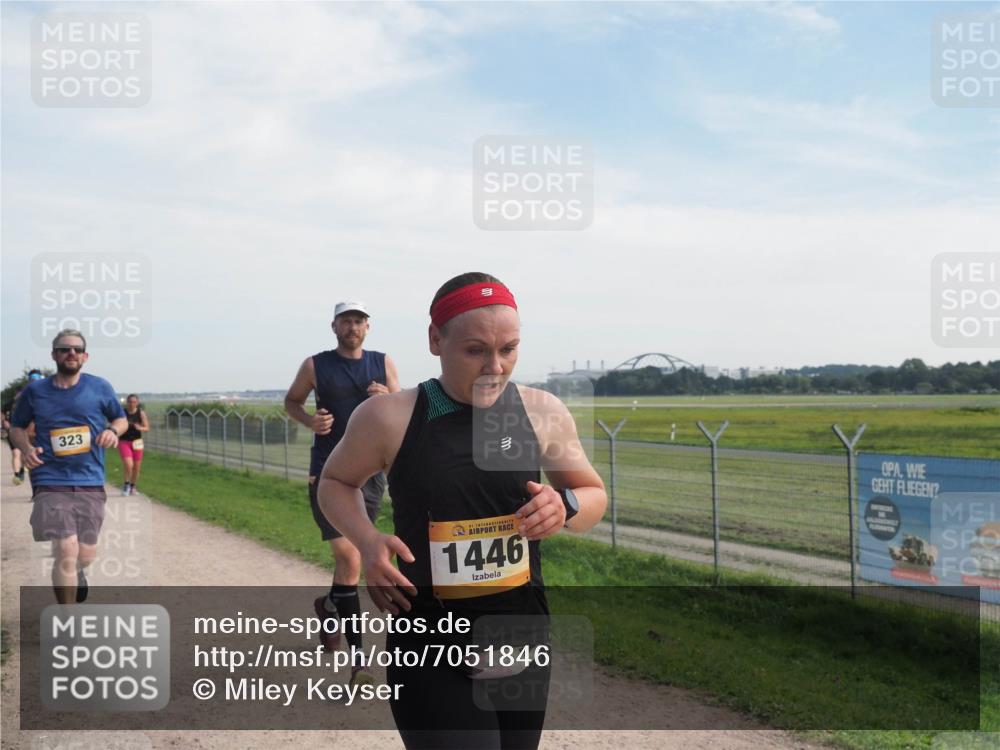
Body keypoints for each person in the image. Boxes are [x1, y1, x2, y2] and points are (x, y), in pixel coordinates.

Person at [318, 273, 607, 750]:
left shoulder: (542, 411)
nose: (495, 367)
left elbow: (593, 494)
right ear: (436, 340)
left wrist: (566, 505)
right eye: (476, 351)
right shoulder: (389, 416)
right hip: (428, 638)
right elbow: (335, 482)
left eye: (509, 349)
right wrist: (367, 542)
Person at [284, 301, 400, 686]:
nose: (352, 327)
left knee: (351, 561)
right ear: (334, 326)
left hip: (371, 474)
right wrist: (309, 421)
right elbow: (291, 401)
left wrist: (388, 396)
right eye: (346, 321)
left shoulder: (383, 363)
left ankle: (330, 604)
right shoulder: (315, 365)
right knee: (350, 556)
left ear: (368, 327)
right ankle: (360, 662)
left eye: (358, 321)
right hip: (329, 474)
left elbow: (401, 408)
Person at [9, 330, 127, 605]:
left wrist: (112, 431)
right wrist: (26, 449)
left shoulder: (100, 387)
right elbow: (16, 427)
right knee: (65, 548)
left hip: (89, 478)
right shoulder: (35, 392)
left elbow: (120, 419)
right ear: (54, 355)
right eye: (64, 349)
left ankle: (78, 571)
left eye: (77, 349)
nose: (71, 353)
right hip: (49, 476)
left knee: (84, 554)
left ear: (85, 356)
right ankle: (67, 619)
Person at [5, 369, 43, 485]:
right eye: (32, 380)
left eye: (36, 379)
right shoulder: (24, 395)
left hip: (43, 430)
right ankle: (22, 471)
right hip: (27, 430)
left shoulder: (48, 391)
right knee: (27, 453)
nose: (34, 382)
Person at [118, 394, 150, 495]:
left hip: (137, 442)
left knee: (136, 467)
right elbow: (117, 424)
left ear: (137, 403)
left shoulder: (141, 413)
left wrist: (140, 428)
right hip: (124, 441)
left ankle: (133, 486)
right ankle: (126, 485)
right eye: (130, 402)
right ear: (127, 402)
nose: (132, 404)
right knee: (129, 464)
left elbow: (147, 427)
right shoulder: (122, 413)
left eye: (134, 402)